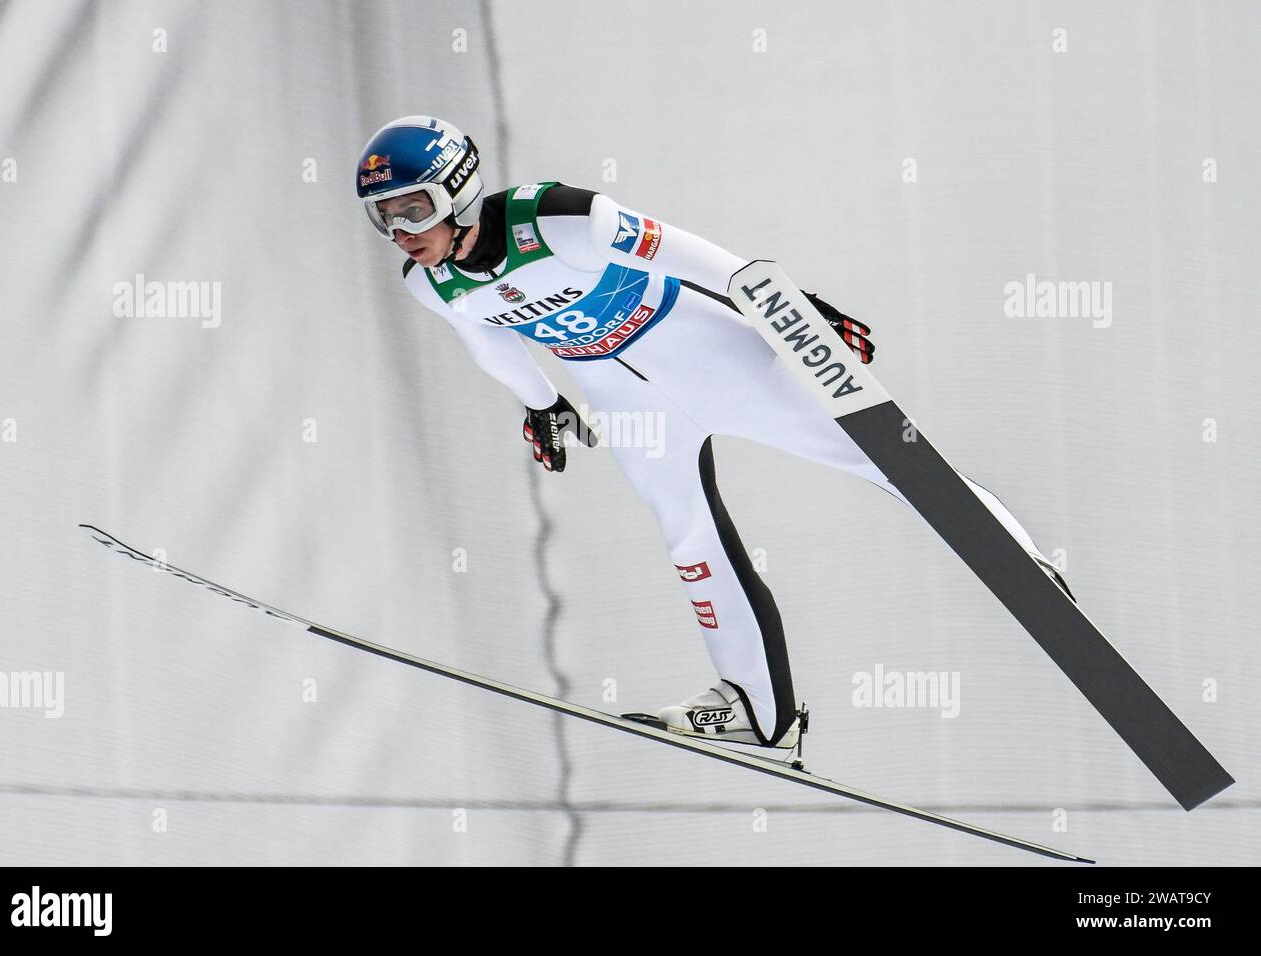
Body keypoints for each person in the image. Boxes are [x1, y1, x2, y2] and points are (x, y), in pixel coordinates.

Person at [358, 115, 1071, 750]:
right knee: (688, 535)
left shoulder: (557, 218)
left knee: (875, 452)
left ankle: (1019, 565)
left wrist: (791, 308)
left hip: (709, 355)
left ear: (458, 188)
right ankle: (758, 707)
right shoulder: (430, 283)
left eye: (413, 208)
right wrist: (542, 405)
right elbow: (489, 341)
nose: (402, 231)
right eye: (384, 217)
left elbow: (696, 257)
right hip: (624, 399)